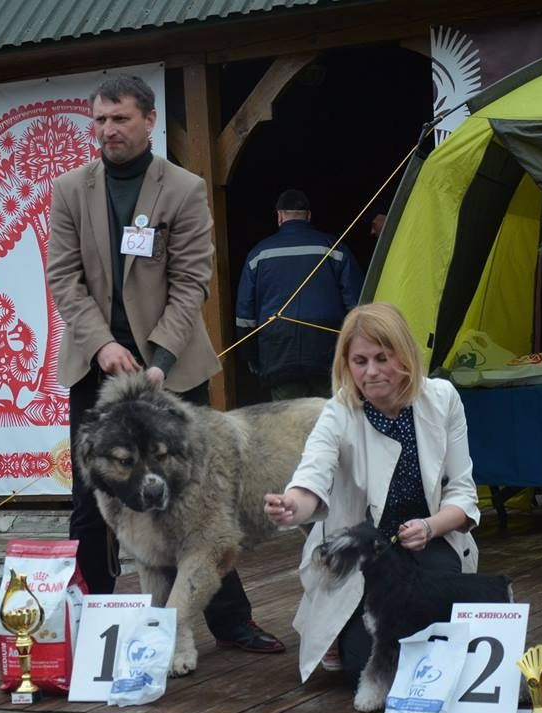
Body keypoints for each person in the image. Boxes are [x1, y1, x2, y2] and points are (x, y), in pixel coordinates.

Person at [47, 74, 283, 654]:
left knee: (198, 501)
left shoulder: (182, 188)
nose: (108, 131)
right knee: (92, 504)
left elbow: (191, 281)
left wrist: (159, 359)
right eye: (99, 120)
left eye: (120, 119)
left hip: (170, 371)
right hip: (95, 368)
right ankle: (95, 623)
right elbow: (64, 279)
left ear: (149, 121)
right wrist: (103, 345)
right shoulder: (70, 190)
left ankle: (229, 622)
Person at [264, 302, 480, 681]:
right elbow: (311, 476)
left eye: (383, 357)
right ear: (345, 364)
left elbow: (463, 494)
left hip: (430, 538)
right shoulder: (338, 412)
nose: (372, 371)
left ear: (405, 354)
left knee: (438, 641)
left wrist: (430, 527)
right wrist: (290, 506)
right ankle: (335, 625)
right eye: (359, 361)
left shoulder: (443, 398)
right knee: (363, 664)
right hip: (363, 550)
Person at [235, 189, 364, 400]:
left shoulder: (258, 255)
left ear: (279, 217)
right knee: (330, 420)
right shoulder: (335, 248)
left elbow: (244, 315)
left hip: (278, 354)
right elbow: (358, 307)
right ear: (309, 215)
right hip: (327, 353)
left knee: (290, 425)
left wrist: (251, 357)